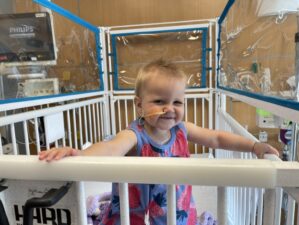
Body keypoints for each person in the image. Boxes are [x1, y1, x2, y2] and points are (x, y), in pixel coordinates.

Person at [39, 59, 279, 225]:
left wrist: (253, 146)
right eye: (159, 101)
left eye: (177, 102)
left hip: (173, 207)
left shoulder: (182, 129)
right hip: (132, 207)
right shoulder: (135, 134)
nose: (169, 109)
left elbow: (216, 137)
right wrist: (81, 155)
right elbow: (111, 147)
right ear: (139, 105)